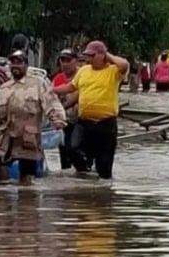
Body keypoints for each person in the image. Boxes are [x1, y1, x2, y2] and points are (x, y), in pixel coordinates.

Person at [53, 40, 129, 180]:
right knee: (72, 148)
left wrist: (107, 55)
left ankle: (102, 189)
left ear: (102, 55)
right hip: (84, 123)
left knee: (104, 165)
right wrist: (52, 90)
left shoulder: (113, 71)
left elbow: (124, 65)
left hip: (106, 124)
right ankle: (85, 173)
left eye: (92, 55)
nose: (89, 59)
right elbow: (71, 87)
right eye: (87, 55)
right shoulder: (83, 71)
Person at [0, 50, 66, 186]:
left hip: (28, 137)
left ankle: (26, 196)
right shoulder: (4, 88)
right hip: (6, 137)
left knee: (26, 176)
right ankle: (2, 195)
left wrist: (57, 119)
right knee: (0, 167)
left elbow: (51, 103)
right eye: (13, 63)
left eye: (19, 62)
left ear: (26, 65)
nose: (15, 66)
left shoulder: (38, 84)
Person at [51, 48, 89, 172]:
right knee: (64, 152)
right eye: (63, 60)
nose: (65, 64)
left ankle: (85, 172)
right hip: (64, 121)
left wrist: (63, 106)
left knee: (76, 149)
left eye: (68, 60)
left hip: (82, 120)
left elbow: (79, 94)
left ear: (76, 61)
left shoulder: (84, 75)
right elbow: (51, 99)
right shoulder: (57, 79)